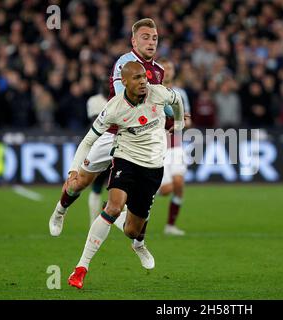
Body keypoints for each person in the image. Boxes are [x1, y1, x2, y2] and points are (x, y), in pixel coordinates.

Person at [49, 18, 165, 270]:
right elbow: (127, 97)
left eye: (154, 38)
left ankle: (137, 242)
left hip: (139, 140)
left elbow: (158, 103)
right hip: (113, 133)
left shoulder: (158, 71)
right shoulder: (124, 64)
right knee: (80, 182)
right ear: (134, 40)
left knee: (142, 196)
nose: (151, 42)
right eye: (145, 37)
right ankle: (60, 210)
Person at [67, 61, 184, 289]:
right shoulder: (113, 108)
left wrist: (178, 124)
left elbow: (177, 100)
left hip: (152, 167)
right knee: (113, 208)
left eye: (144, 77)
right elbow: (88, 140)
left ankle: (139, 244)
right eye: (138, 78)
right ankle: (81, 268)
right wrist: (74, 168)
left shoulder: (157, 92)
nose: (143, 82)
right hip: (125, 159)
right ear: (125, 83)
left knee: (132, 230)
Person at [157, 58, 192, 236]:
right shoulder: (153, 90)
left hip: (176, 146)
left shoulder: (180, 93)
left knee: (179, 184)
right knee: (164, 190)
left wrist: (180, 123)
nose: (168, 71)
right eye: (164, 68)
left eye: (170, 67)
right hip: (158, 147)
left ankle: (170, 226)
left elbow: (188, 119)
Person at [85, 77, 110, 226]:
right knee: (96, 187)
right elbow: (96, 122)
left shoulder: (120, 98)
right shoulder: (94, 101)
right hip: (100, 147)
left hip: (118, 148)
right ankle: (93, 222)